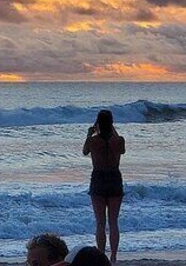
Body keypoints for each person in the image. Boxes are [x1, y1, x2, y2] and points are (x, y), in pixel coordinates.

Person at [83, 109, 126, 263]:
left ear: (98, 123)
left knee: (100, 222)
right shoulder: (119, 140)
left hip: (98, 178)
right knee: (113, 221)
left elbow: (84, 151)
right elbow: (122, 150)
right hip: (114, 177)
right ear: (112, 122)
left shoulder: (93, 141)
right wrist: (112, 130)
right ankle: (113, 256)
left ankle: (101, 255)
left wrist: (90, 133)